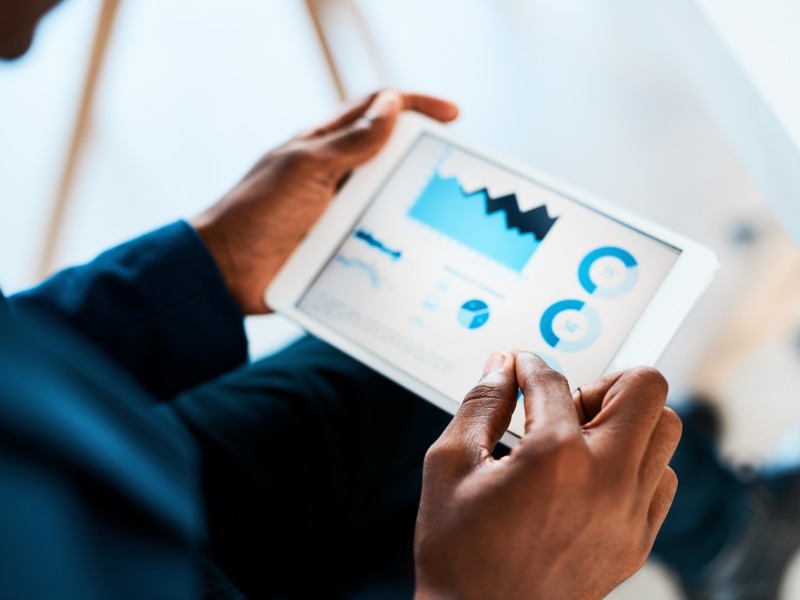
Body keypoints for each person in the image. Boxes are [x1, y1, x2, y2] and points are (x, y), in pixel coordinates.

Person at [0, 1, 681, 598]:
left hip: (74, 464)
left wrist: (202, 266)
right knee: (524, 468)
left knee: (432, 377)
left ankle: (726, 526)